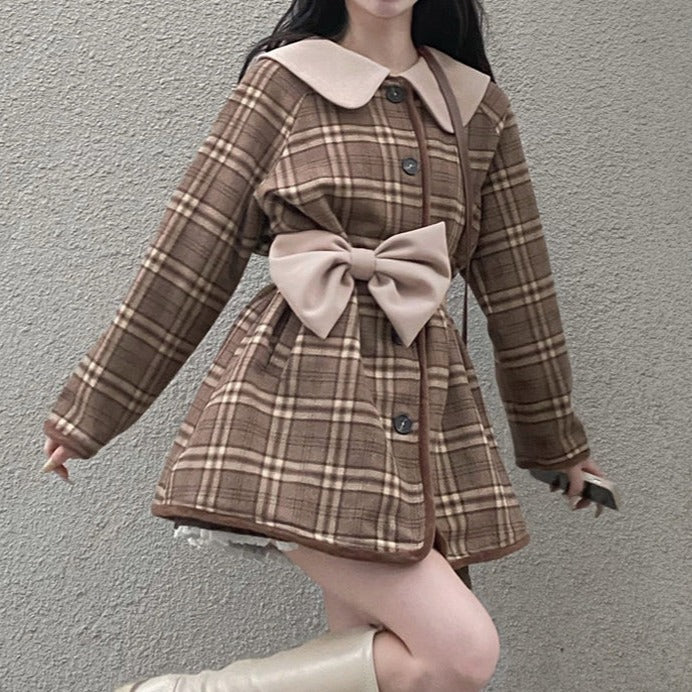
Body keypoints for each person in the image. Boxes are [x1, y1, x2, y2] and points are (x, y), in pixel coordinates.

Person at [41, 1, 608, 690]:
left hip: (422, 423)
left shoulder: (477, 108)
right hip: (299, 412)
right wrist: (89, 412)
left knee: (390, 667)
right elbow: (189, 254)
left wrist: (556, 442)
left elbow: (522, 291)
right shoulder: (282, 83)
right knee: (459, 652)